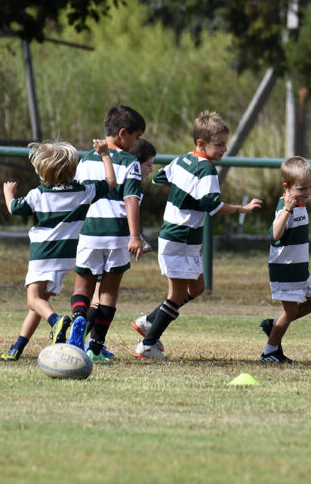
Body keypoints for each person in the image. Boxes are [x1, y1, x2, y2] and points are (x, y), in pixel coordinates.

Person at [132, 111, 262, 360]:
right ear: (201, 143)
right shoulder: (207, 170)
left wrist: (183, 190)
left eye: (225, 144)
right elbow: (212, 206)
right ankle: (147, 344)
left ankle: (149, 321)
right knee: (177, 295)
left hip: (183, 238)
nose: (224, 149)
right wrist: (241, 209)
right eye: (219, 144)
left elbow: (160, 177)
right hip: (180, 236)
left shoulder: (182, 160)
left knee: (198, 287)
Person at [0, 139, 115, 361]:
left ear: (43, 171)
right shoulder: (83, 192)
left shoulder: (38, 194)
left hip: (43, 254)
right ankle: (17, 348)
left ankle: (56, 321)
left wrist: (8, 192)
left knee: (32, 300)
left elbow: (14, 208)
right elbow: (111, 181)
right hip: (66, 258)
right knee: (39, 303)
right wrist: (104, 155)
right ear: (73, 169)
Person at [68, 105, 146, 363]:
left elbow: (78, 196)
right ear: (122, 134)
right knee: (108, 292)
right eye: (135, 137)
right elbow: (131, 199)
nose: (136, 144)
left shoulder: (86, 159)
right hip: (116, 233)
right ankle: (96, 345)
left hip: (89, 231)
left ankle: (78, 324)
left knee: (83, 286)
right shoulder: (130, 162)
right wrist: (135, 236)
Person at [84, 138, 157, 361]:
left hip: (95, 236)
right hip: (110, 239)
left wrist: (138, 238)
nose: (150, 170)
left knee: (97, 295)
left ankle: (88, 344)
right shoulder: (130, 176)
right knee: (102, 295)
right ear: (137, 162)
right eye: (149, 165)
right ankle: (87, 345)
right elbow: (124, 208)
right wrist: (135, 237)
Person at [259, 157, 311, 363]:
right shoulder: (285, 207)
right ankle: (269, 352)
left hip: (300, 269)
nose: (307, 193)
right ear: (286, 187)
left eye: (310, 187)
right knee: (291, 311)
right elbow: (274, 235)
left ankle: (275, 325)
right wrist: (287, 210)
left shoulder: (301, 204)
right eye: (302, 189)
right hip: (285, 268)